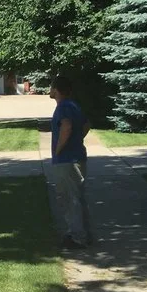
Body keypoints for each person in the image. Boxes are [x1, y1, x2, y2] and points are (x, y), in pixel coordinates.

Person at [50, 76, 92, 248]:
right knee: (77, 197)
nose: (49, 90)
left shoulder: (63, 108)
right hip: (78, 157)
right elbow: (87, 124)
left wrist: (59, 148)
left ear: (57, 90)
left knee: (69, 198)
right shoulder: (74, 106)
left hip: (66, 160)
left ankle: (78, 237)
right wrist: (77, 140)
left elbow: (66, 127)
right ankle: (79, 232)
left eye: (51, 87)